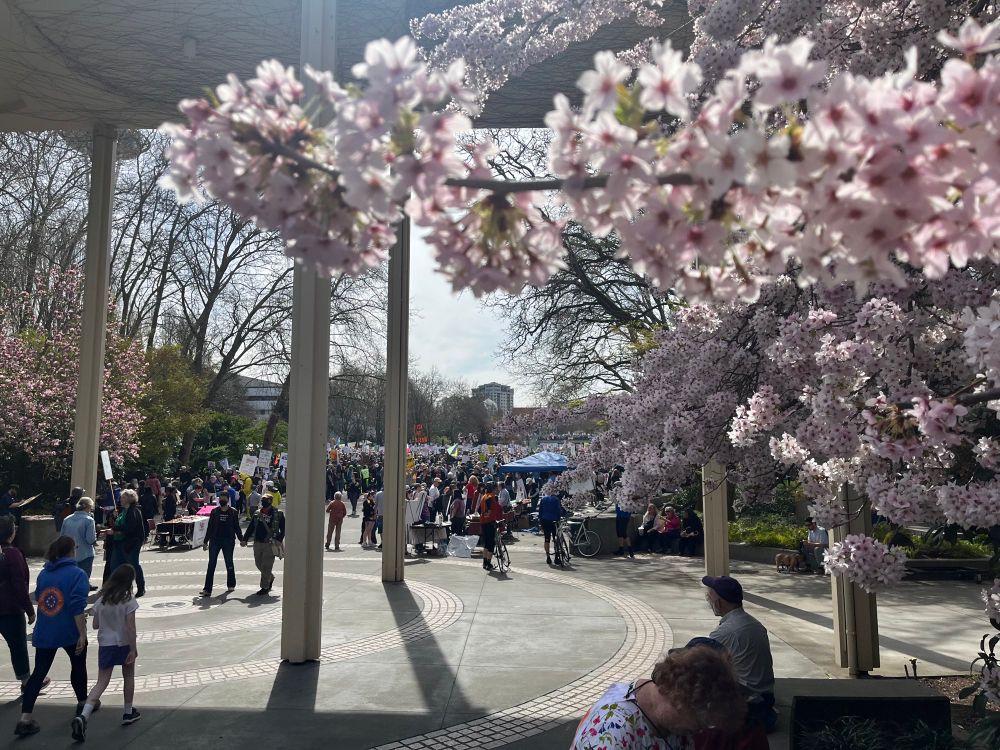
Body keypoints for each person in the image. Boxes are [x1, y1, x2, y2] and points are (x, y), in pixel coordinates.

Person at [572, 643, 746, 749]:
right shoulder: (612, 731)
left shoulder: (672, 724)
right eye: (700, 722)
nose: (700, 730)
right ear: (680, 698)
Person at [15, 536, 90, 737]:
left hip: (46, 629)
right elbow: (76, 606)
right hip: (69, 630)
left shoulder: (44, 574)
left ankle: (25, 718)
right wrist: (82, 633)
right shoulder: (77, 574)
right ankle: (82, 702)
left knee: (39, 672)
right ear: (71, 552)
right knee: (78, 666)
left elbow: (40, 597)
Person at [72, 564, 141, 740]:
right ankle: (128, 712)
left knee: (102, 682)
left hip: (106, 644)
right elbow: (130, 627)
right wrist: (133, 648)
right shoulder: (128, 600)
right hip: (124, 643)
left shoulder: (102, 600)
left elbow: (95, 625)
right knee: (129, 676)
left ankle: (84, 715)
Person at [702, 576, 777, 733]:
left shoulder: (725, 632)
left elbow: (704, 666)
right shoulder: (755, 624)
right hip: (765, 697)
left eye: (709, 596)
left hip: (748, 704)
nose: (708, 601)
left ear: (718, 602)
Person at [0, 516, 44, 693]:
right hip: (9, 608)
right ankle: (26, 680)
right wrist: (29, 609)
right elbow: (19, 584)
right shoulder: (13, 554)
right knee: (17, 644)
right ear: (11, 532)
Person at [199, 490, 246, 597]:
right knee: (211, 564)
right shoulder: (215, 512)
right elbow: (210, 527)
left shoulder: (233, 512)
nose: (222, 500)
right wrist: (205, 541)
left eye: (224, 498)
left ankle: (231, 584)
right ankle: (207, 589)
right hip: (215, 540)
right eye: (220, 498)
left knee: (229, 563)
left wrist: (241, 539)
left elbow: (237, 527)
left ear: (228, 500)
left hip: (228, 541)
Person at [242, 495, 285, 596]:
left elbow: (284, 529)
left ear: (270, 501)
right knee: (258, 564)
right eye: (262, 500)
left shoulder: (278, 514)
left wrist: (279, 540)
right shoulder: (258, 513)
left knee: (266, 566)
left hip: (270, 543)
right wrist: (245, 539)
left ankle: (264, 586)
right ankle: (270, 577)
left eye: (265, 500)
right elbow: (251, 527)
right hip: (257, 542)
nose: (263, 502)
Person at [108, 489, 146, 597]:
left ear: (130, 499)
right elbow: (118, 523)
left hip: (131, 543)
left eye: (123, 497)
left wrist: (115, 529)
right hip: (119, 542)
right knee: (115, 566)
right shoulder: (123, 511)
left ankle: (141, 587)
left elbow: (129, 527)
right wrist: (114, 518)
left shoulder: (133, 511)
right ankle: (118, 589)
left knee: (133, 565)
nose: (121, 499)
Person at [59, 498, 98, 590]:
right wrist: (95, 541)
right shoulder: (89, 520)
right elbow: (90, 539)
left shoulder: (67, 519)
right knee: (83, 576)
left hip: (69, 552)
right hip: (85, 552)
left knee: (70, 576)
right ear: (89, 507)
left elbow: (62, 536)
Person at [477, 484, 502, 572]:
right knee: (491, 544)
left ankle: (484, 562)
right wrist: (489, 515)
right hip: (489, 522)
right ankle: (488, 563)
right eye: (496, 488)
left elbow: (479, 510)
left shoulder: (484, 496)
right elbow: (489, 510)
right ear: (493, 489)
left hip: (483, 522)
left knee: (486, 543)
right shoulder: (491, 497)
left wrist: (484, 515)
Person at [537, 493, 563, 565]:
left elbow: (540, 510)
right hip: (554, 520)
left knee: (547, 538)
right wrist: (559, 519)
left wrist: (540, 522)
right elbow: (558, 510)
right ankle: (556, 556)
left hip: (544, 520)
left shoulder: (543, 499)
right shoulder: (556, 499)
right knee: (555, 538)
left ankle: (548, 556)